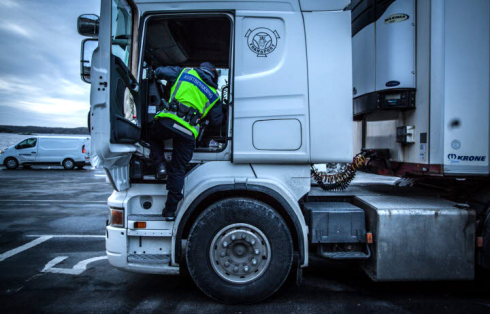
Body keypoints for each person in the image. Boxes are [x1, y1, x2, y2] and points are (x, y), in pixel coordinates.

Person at [149, 62, 223, 220]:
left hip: (168, 122)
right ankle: (170, 212)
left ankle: (160, 165)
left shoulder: (185, 73)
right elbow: (217, 121)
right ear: (214, 76)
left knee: (152, 135)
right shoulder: (213, 94)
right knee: (178, 169)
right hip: (188, 132)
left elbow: (160, 71)